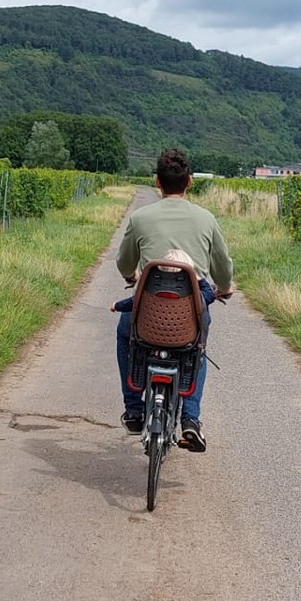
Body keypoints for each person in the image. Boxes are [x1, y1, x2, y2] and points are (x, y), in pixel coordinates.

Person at [114, 147, 234, 451]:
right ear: (190, 182)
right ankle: (191, 419)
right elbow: (223, 267)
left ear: (157, 181)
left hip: (146, 311)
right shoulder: (206, 219)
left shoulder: (140, 217)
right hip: (189, 313)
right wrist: (224, 287)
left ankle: (134, 408)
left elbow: (124, 264)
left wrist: (132, 278)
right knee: (198, 348)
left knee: (124, 333)